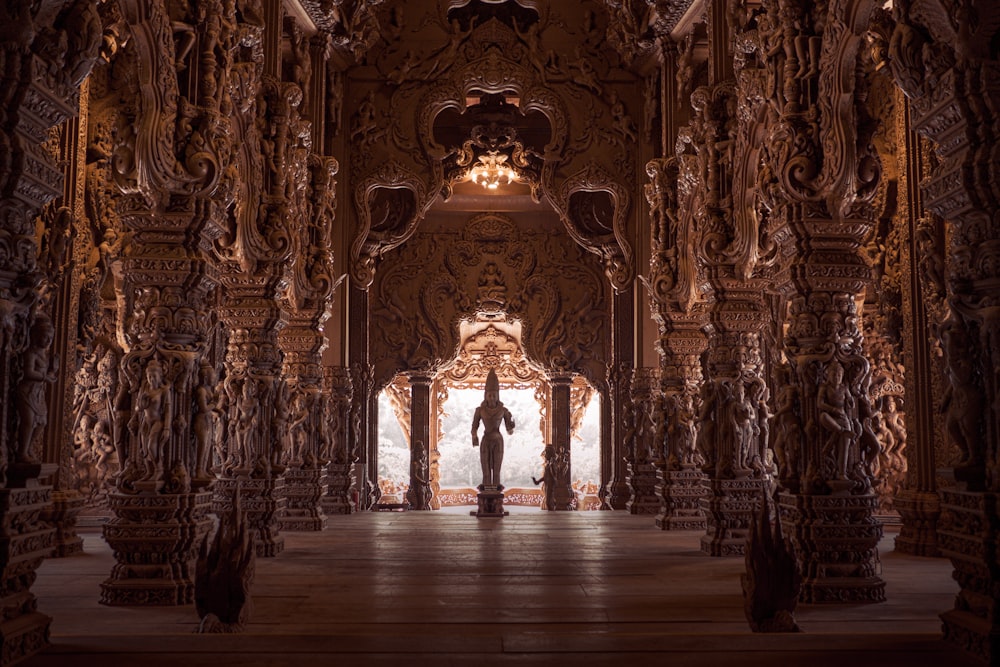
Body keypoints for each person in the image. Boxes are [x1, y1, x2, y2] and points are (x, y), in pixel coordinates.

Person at [471, 369, 515, 490]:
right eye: (489, 394)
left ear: (497, 395)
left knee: (496, 469)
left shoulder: (503, 410)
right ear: (485, 395)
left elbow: (509, 431)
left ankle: (496, 488)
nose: (491, 397)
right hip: (486, 440)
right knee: (485, 468)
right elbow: (474, 426)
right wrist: (474, 435)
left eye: (494, 395)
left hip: (497, 440)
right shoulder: (480, 410)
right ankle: (486, 487)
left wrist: (511, 425)